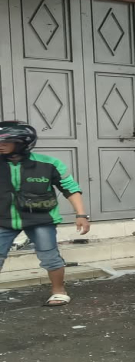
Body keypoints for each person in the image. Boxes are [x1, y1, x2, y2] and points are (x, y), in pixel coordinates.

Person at [0, 122, 90, 306]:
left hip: (41, 219)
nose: (0, 145)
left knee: (49, 256)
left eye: (5, 142)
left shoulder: (48, 164)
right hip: (3, 220)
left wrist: (81, 215)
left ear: (22, 143)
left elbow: (70, 189)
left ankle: (58, 291)